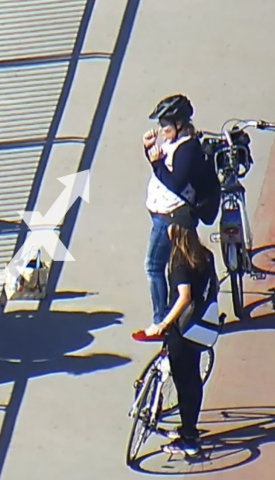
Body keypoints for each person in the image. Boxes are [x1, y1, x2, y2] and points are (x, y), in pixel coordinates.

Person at [144, 205, 220, 456]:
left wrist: (164, 324)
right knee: (193, 381)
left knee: (183, 381)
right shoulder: (205, 255)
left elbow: (184, 296)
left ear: (175, 231)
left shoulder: (178, 261)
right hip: (199, 328)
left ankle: (188, 438)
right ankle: (190, 428)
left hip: (182, 330)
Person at [143, 94, 205, 326]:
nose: (161, 130)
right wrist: (150, 151)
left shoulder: (187, 148)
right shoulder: (174, 142)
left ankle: (161, 320)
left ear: (180, 124)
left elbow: (175, 182)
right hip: (162, 214)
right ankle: (174, 312)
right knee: (174, 267)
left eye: (166, 125)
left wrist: (157, 162)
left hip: (170, 217)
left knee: (153, 266)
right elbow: (161, 172)